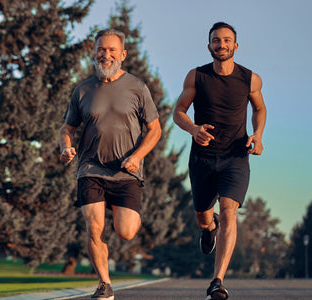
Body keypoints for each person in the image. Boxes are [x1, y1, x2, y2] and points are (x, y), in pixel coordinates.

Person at [59, 28, 161, 300]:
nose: (106, 55)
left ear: (122, 55)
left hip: (127, 172)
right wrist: (66, 147)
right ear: (94, 54)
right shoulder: (83, 90)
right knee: (94, 228)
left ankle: (122, 213)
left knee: (125, 232)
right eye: (101, 50)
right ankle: (104, 284)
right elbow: (66, 128)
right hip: (91, 169)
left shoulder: (137, 88)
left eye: (111, 50)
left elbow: (155, 130)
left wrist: (137, 157)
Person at [173, 22, 267, 300]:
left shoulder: (250, 79)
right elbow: (179, 111)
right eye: (216, 40)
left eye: (227, 40)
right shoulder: (197, 76)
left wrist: (258, 135)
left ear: (235, 46)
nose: (221, 44)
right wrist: (193, 129)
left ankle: (217, 281)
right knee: (204, 217)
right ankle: (208, 227)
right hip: (202, 158)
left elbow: (259, 108)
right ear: (209, 46)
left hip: (235, 157)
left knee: (229, 211)